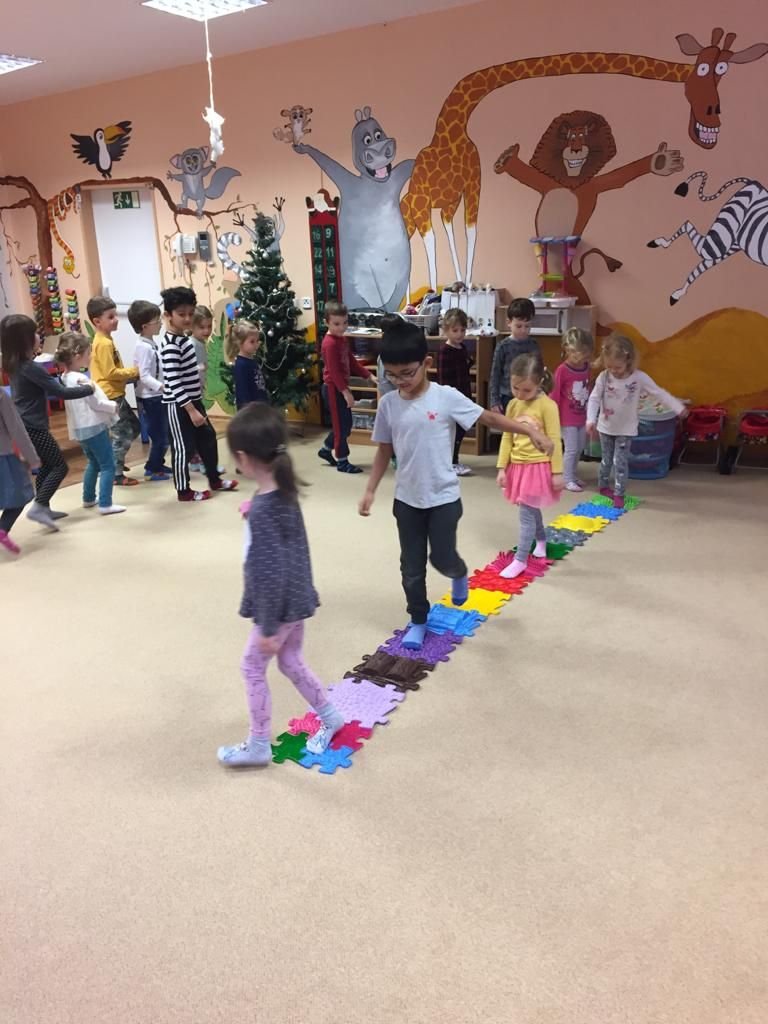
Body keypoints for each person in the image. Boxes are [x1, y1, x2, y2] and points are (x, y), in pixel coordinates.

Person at [358, 320, 554, 651]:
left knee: (443, 558)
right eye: (392, 375)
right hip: (406, 501)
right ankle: (418, 619)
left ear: (427, 363)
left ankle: (459, 573)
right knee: (411, 567)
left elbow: (489, 418)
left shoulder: (445, 397)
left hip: (444, 499)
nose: (400, 381)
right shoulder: (389, 404)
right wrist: (370, 489)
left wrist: (530, 431)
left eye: (407, 373)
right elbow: (384, 450)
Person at [218, 402, 345, 768]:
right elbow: (288, 546)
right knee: (290, 661)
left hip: (279, 609)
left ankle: (259, 744)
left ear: (243, 458)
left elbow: (270, 573)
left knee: (251, 668)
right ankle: (331, 717)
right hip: (296, 598)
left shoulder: (265, 510)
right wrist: (253, 511)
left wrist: (269, 628)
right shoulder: (281, 491)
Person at [0, 313, 94, 532]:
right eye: (34, 333)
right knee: (60, 466)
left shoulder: (16, 365)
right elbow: (61, 392)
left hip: (29, 424)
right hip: (33, 426)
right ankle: (39, 506)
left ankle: (44, 505)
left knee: (48, 464)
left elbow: (50, 385)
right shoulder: (30, 367)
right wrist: (89, 389)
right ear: (24, 340)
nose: (38, 336)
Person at [586, 334, 686, 509]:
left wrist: (678, 407)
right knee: (606, 460)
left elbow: (658, 392)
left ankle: (619, 493)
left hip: (626, 429)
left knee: (620, 462)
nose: (613, 371)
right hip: (605, 427)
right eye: (609, 366)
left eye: (618, 367)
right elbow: (594, 398)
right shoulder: (604, 377)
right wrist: (590, 419)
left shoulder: (639, 378)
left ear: (629, 360)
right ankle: (603, 485)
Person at [160, 286, 238, 502]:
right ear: (168, 315)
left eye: (190, 313)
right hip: (179, 405)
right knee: (182, 448)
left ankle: (214, 479)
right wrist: (191, 410)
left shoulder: (184, 340)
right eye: (181, 314)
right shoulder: (170, 345)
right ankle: (184, 491)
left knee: (208, 439)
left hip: (194, 401)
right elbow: (174, 382)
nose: (187, 319)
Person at [496, 353, 563, 579]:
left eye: (526, 390)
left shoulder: (548, 406)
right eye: (515, 388)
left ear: (539, 382)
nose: (519, 394)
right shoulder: (513, 405)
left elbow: (554, 440)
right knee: (531, 508)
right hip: (517, 466)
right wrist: (501, 467)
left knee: (526, 513)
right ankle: (541, 539)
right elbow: (507, 437)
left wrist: (557, 472)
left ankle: (520, 559)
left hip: (537, 467)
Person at [55, 332, 125, 516]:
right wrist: (113, 407)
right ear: (78, 356)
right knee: (108, 464)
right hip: (93, 427)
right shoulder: (81, 379)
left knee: (93, 462)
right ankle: (105, 503)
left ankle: (88, 498)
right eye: (88, 353)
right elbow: (95, 403)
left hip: (80, 428)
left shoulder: (65, 378)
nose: (91, 356)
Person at [87, 295, 141, 487]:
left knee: (134, 427)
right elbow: (110, 372)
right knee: (123, 434)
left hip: (115, 394)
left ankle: (114, 460)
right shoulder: (103, 343)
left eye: (115, 315)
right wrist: (135, 371)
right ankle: (115, 473)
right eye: (110, 317)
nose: (116, 320)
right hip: (111, 396)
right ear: (97, 322)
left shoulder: (106, 340)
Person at [318, 300, 372, 474]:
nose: (342, 327)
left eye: (345, 323)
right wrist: (346, 392)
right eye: (336, 324)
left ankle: (326, 449)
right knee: (341, 427)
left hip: (340, 388)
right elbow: (334, 373)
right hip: (333, 389)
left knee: (345, 425)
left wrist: (368, 375)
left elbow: (351, 361)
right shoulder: (329, 343)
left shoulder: (341, 340)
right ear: (326, 322)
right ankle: (342, 461)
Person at [128, 299, 171, 481]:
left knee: (164, 432)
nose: (160, 323)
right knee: (160, 435)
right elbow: (144, 375)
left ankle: (158, 463)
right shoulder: (144, 348)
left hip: (157, 395)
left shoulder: (150, 343)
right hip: (151, 397)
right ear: (145, 326)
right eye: (157, 321)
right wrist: (162, 387)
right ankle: (152, 469)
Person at [550, 327, 594, 492]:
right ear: (567, 350)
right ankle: (567, 478)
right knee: (571, 449)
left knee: (580, 447)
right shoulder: (562, 370)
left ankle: (573, 475)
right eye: (575, 352)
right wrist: (553, 416)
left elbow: (588, 389)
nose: (579, 357)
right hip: (566, 418)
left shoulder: (586, 367)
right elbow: (554, 394)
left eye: (583, 353)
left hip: (581, 416)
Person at [0, 385, 40, 554]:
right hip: (3, 457)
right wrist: (32, 458)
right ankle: (3, 528)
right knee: (20, 494)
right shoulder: (1, 396)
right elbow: (16, 428)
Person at [437, 308, 474, 476]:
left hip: (464, 393)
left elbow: (463, 368)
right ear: (446, 330)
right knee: (453, 431)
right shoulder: (445, 351)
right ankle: (451, 462)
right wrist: (446, 399)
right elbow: (443, 378)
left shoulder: (462, 347)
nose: (459, 334)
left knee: (462, 428)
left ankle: (452, 460)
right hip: (451, 397)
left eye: (462, 330)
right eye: (455, 330)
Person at [489, 297, 542, 413]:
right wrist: (494, 401)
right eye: (519, 326)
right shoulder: (503, 346)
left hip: (529, 396)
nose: (523, 330)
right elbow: (495, 375)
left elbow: (539, 371)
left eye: (527, 326)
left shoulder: (534, 345)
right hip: (507, 397)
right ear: (509, 322)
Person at [188, 305, 213, 473]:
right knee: (204, 430)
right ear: (192, 326)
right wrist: (200, 368)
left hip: (198, 391)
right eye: (202, 327)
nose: (206, 331)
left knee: (197, 429)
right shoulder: (192, 344)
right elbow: (187, 368)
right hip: (191, 394)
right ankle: (204, 462)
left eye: (209, 326)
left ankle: (196, 460)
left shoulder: (201, 343)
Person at [227, 320, 269, 409]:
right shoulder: (241, 365)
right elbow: (242, 391)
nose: (256, 344)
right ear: (240, 342)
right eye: (252, 342)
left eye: (257, 341)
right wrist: (247, 411)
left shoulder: (252, 361)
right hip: (250, 411)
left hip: (260, 408)